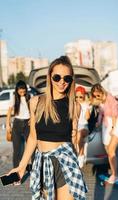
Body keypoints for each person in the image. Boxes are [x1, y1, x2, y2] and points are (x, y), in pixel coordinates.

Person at [9, 56, 88, 200]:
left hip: (66, 162)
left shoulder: (75, 107)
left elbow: (72, 137)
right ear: (50, 77)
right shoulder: (35, 102)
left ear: (71, 80)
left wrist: (78, 157)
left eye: (67, 78)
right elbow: (33, 137)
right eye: (57, 77)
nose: (62, 82)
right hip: (44, 163)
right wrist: (21, 166)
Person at [91, 83, 118, 184]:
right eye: (95, 95)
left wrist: (112, 128)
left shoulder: (109, 97)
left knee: (111, 151)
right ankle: (114, 173)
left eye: (98, 95)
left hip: (116, 125)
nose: (97, 97)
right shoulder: (101, 101)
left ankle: (115, 175)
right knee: (109, 151)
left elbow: (115, 113)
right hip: (106, 126)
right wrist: (98, 121)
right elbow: (101, 114)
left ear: (102, 91)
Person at [6, 80, 31, 168]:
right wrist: (8, 125)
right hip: (17, 125)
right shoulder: (14, 98)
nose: (22, 92)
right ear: (17, 90)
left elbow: (33, 110)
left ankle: (35, 170)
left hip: (28, 125)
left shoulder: (29, 97)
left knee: (32, 149)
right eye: (20, 90)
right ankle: (16, 176)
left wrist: (32, 118)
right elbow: (9, 112)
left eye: (24, 90)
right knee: (17, 151)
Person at [75, 86, 90, 168]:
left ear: (84, 96)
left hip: (84, 126)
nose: (78, 98)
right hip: (75, 126)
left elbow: (87, 118)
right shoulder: (73, 104)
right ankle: (81, 153)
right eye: (76, 97)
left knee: (79, 135)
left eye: (80, 97)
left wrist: (84, 109)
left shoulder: (86, 105)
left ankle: (81, 155)